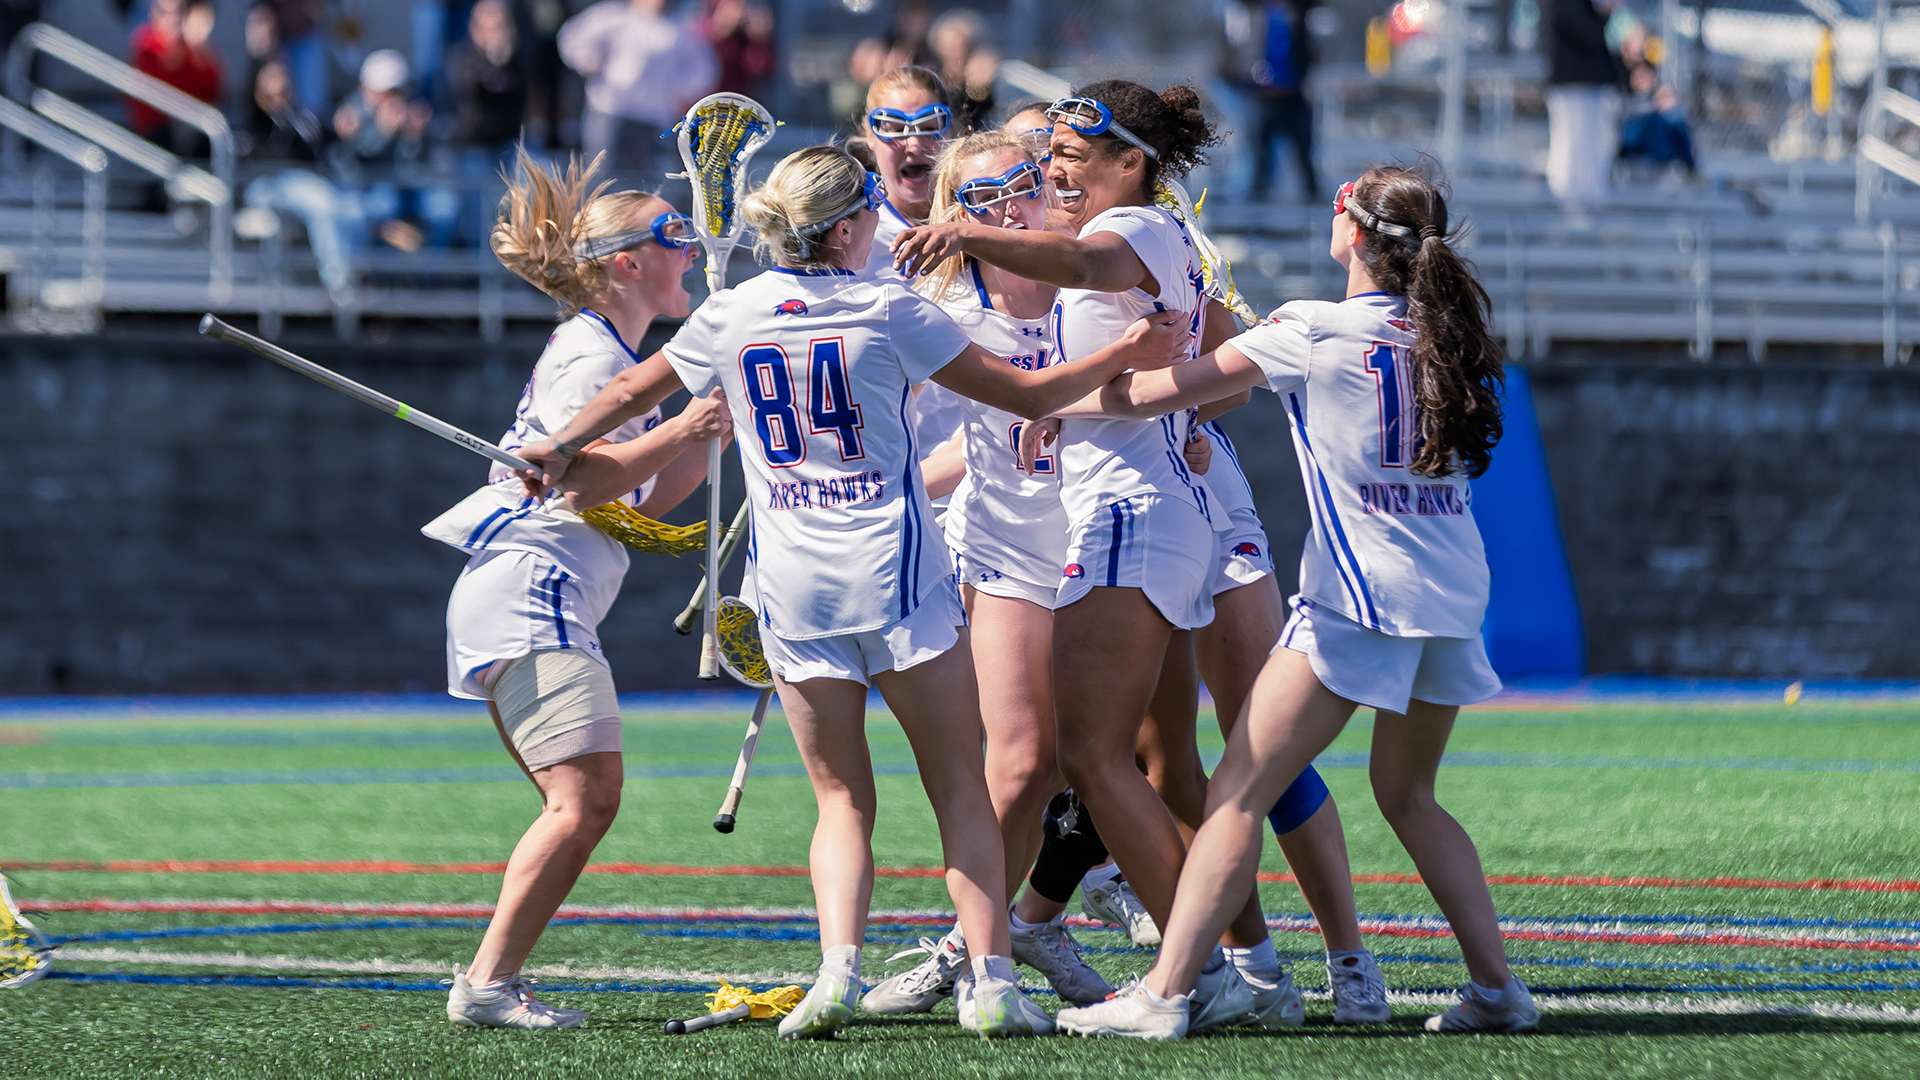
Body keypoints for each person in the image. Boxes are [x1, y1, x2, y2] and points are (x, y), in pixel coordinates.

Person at [511, 145, 1188, 1039]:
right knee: (957, 787)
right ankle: (989, 981)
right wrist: (1134, 349)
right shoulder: (887, 307)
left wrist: (561, 446)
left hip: (793, 590)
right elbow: (1027, 396)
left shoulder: (736, 309)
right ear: (846, 227)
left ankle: (837, 974)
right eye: (871, 206)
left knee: (841, 800)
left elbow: (636, 383)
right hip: (895, 577)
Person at [1051, 165, 1527, 1038]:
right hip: (1456, 588)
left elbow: (1158, 396)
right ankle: (1498, 989)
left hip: (1361, 595)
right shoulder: (1446, 334)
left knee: (1236, 788)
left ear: (1351, 229)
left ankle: (1163, 995)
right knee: (1410, 794)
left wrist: (1070, 383)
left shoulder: (1309, 326)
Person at [890, 80, 1272, 1029]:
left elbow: (1091, 267)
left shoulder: (1129, 229)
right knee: (1124, 761)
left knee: (1101, 760)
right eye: (1045, 153)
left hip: (1129, 514)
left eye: (1064, 155)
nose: (1050, 170)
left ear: (1128, 161)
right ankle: (1219, 969)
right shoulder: (1114, 242)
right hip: (1122, 515)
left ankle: (1200, 976)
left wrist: (970, 237)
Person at [422, 150, 724, 1029]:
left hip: (537, 592)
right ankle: (486, 985)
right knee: (584, 799)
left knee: (582, 799)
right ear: (629, 262)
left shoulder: (620, 362)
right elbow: (577, 484)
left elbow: (646, 495)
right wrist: (681, 431)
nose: (693, 257)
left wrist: (708, 433)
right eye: (678, 239)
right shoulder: (590, 357)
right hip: (531, 588)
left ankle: (491, 980)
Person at [860, 130, 1114, 1015]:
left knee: (1106, 764)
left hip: (1108, 543)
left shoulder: (1096, 280)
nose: (1011, 203)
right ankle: (978, 954)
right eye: (982, 197)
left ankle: (1004, 933)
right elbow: (869, 409)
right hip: (1007, 547)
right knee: (1022, 762)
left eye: (1024, 183)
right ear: (952, 218)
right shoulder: (942, 312)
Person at [861, 66, 966, 452]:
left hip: (979, 459)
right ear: (867, 135)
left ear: (951, 132)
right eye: (891, 125)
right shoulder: (849, 236)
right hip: (886, 456)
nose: (913, 143)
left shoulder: (987, 222)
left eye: (929, 124)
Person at [558, 0, 717, 189]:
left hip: (652, 118)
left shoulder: (679, 28)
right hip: (610, 110)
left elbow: (704, 68)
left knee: (641, 183)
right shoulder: (613, 16)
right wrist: (588, 61)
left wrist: (680, 91)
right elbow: (571, 37)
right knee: (601, 177)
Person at [1218, 0, 1320, 202]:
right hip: (1259, 98)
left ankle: (1314, 213)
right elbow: (1230, 59)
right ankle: (1253, 220)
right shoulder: (1249, 11)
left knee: (1305, 161)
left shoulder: (1297, 10)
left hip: (1292, 96)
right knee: (1257, 163)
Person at [1544, 0, 1626, 214]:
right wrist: (1605, 12)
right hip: (1571, 85)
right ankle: (1569, 199)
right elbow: (1587, 35)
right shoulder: (1568, 5)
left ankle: (1591, 197)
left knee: (1597, 142)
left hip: (1594, 84)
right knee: (1573, 142)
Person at [126, 0, 223, 156]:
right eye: (164, 13)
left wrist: (198, 52)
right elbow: (150, 96)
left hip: (191, 127)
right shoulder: (146, 44)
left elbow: (212, 90)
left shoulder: (193, 48)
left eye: (177, 13)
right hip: (158, 130)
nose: (172, 19)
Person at [701, 0, 775, 99]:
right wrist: (721, 31)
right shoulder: (703, 27)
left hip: (738, 103)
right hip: (707, 101)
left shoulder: (743, 36)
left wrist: (759, 39)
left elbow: (761, 70)